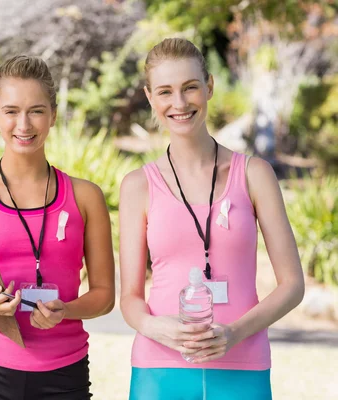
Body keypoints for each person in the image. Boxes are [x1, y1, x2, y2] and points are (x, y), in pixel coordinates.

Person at [119, 38, 305, 400]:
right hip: (159, 370)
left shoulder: (255, 174)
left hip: (243, 366)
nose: (179, 103)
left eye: (190, 87)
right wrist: (155, 328)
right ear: (150, 97)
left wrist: (234, 333)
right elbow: (129, 297)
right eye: (165, 91)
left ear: (210, 86)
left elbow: (292, 284)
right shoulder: (138, 185)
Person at [0, 55, 115, 400]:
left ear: (53, 115)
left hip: (64, 376)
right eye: (11, 111)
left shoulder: (86, 196)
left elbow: (105, 296)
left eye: (36, 110)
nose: (24, 124)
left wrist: (67, 310)